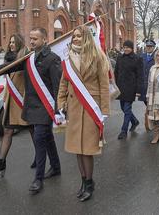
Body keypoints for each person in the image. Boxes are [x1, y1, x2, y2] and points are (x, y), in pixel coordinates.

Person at [0, 28, 62, 194]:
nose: (32, 41)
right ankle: (56, 167)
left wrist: (59, 110)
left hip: (45, 107)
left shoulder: (53, 59)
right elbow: (12, 66)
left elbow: (58, 87)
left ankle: (38, 179)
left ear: (44, 40)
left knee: (40, 139)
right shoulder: (29, 58)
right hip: (31, 105)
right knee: (47, 138)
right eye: (31, 38)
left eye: (35, 39)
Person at [57, 26, 110, 202]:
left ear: (86, 37)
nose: (76, 39)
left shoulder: (98, 57)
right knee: (76, 149)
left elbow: (104, 85)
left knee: (87, 149)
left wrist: (104, 112)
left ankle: (89, 183)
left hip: (91, 108)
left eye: (79, 36)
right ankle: (83, 181)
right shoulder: (68, 58)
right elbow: (63, 84)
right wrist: (61, 103)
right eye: (74, 37)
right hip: (73, 108)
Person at [0, 34, 36, 176]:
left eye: (14, 42)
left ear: (20, 43)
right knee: (7, 131)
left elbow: (14, 67)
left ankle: (40, 158)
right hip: (11, 100)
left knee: (33, 131)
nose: (11, 44)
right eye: (10, 42)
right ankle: (1, 163)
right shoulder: (8, 57)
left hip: (23, 99)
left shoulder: (24, 56)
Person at [114, 40, 143, 139]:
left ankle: (123, 131)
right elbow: (116, 72)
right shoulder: (120, 58)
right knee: (123, 108)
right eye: (124, 47)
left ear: (131, 48)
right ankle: (134, 121)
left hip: (131, 88)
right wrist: (114, 85)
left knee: (126, 109)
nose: (126, 49)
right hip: (120, 87)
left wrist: (139, 90)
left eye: (128, 47)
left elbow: (140, 76)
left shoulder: (137, 59)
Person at [139, 39, 157, 131]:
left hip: (153, 85)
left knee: (153, 104)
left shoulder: (157, 56)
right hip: (143, 85)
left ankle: (152, 122)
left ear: (154, 47)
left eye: (150, 47)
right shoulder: (141, 56)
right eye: (147, 46)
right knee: (147, 104)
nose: (148, 48)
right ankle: (151, 119)